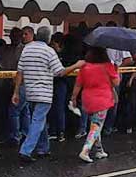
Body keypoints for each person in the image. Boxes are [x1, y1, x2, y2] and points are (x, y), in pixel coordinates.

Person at [12, 26, 83, 163]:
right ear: (49, 38)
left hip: (30, 91)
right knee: (37, 121)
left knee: (39, 119)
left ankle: (43, 148)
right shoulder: (49, 51)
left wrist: (16, 91)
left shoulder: (27, 49)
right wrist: (76, 65)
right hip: (44, 92)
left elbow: (19, 71)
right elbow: (60, 72)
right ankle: (26, 150)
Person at [70, 46, 119, 163]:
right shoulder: (108, 66)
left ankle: (99, 150)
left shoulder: (85, 67)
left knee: (95, 125)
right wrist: (115, 72)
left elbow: (78, 84)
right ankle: (85, 150)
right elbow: (116, 82)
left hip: (87, 99)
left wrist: (74, 97)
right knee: (96, 126)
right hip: (102, 99)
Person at [1, 27, 29, 144]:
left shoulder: (25, 50)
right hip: (8, 82)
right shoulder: (6, 49)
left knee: (15, 110)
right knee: (24, 110)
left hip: (22, 84)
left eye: (17, 35)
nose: (14, 38)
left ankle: (15, 136)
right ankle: (25, 134)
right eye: (12, 35)